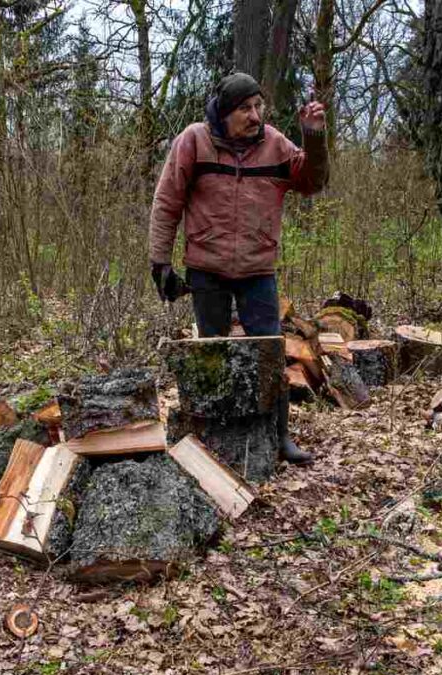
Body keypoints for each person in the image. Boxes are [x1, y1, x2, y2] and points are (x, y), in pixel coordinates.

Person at [148, 72, 329, 464]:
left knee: (271, 355)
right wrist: (159, 262)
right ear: (225, 113)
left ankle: (280, 438)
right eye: (245, 108)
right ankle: (210, 439)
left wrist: (314, 137)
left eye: (258, 106)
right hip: (206, 268)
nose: (255, 115)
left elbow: (313, 182)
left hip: (257, 269)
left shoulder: (275, 144)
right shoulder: (194, 141)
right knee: (211, 357)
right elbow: (167, 203)